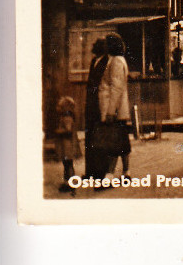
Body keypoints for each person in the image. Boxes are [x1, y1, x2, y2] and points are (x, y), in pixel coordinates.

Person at [98, 32, 131, 179]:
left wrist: (110, 111)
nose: (104, 46)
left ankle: (109, 174)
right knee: (122, 141)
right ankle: (126, 172)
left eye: (106, 43)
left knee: (113, 142)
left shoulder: (116, 61)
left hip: (115, 110)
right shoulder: (118, 59)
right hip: (119, 110)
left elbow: (116, 87)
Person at [83, 38, 108, 180]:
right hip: (91, 104)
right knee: (89, 138)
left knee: (98, 139)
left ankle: (99, 173)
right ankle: (90, 172)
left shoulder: (105, 62)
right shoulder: (94, 61)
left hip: (99, 104)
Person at [55, 95, 82, 194]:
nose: (57, 108)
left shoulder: (67, 117)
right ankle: (67, 183)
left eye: (60, 106)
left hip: (67, 146)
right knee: (67, 165)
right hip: (66, 146)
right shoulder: (66, 116)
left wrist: (59, 131)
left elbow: (68, 131)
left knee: (68, 165)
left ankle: (71, 185)